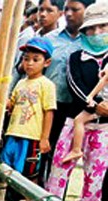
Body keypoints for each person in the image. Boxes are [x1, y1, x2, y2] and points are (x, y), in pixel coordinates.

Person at [46, 1, 108, 201]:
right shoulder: (76, 57)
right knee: (60, 170)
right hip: (75, 121)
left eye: (102, 27)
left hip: (103, 128)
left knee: (95, 179)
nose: (96, 33)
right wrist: (96, 104)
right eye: (91, 28)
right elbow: (74, 85)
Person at [40, 0, 92, 185]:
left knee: (65, 157)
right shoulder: (50, 39)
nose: (69, 14)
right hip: (48, 106)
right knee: (42, 151)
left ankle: (55, 197)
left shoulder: (92, 44)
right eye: (66, 9)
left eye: (75, 10)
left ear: (87, 11)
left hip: (76, 109)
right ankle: (34, 195)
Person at [1, 37, 56, 181]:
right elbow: (11, 105)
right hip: (13, 132)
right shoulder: (19, 83)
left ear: (47, 62)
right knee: (7, 166)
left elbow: (49, 112)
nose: (29, 63)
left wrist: (44, 138)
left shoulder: (47, 85)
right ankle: (5, 198)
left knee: (28, 171)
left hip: (32, 136)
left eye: (35, 59)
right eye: (26, 59)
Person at [63, 64, 108, 163]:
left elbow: (103, 80)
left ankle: (76, 150)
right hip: (104, 104)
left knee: (78, 120)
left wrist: (91, 96)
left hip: (104, 103)